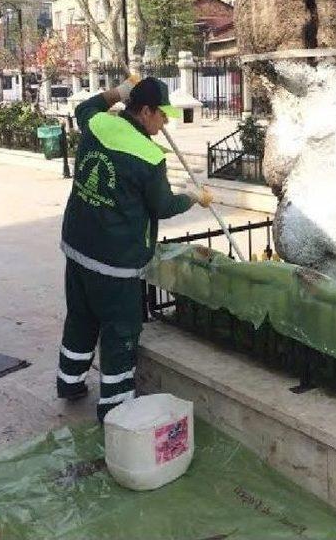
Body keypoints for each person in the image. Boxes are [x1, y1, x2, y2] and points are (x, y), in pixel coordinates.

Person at [57, 76, 213, 423]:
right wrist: (192, 197)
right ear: (145, 111)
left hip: (78, 247)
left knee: (81, 315)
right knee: (119, 330)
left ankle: (69, 381)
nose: (166, 122)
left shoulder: (98, 125)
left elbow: (87, 106)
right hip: (116, 262)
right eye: (162, 115)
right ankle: (114, 405)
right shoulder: (147, 155)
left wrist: (117, 92)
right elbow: (162, 205)